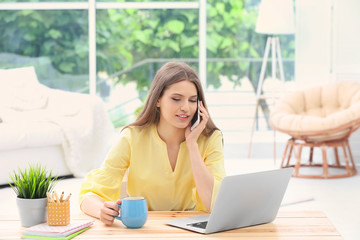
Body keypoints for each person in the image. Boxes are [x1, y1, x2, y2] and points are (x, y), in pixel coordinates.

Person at [79, 62, 226, 226]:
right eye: (176, 99)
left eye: (192, 100)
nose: (186, 107)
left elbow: (214, 202)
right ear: (157, 100)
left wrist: (192, 144)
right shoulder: (132, 137)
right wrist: (101, 211)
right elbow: (89, 194)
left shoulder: (210, 138)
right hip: (145, 227)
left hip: (191, 227)